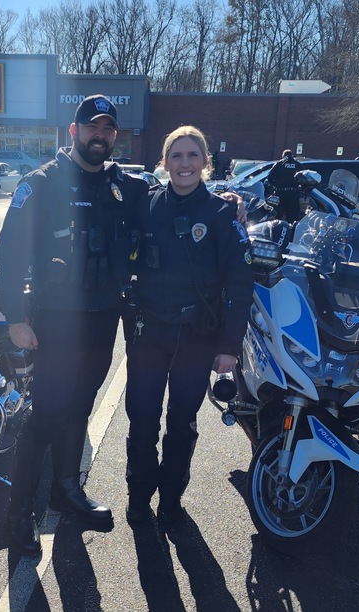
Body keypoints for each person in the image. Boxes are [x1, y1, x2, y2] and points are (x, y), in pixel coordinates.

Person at [0, 94, 147, 557]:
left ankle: (66, 491)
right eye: (92, 127)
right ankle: (18, 513)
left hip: (103, 320)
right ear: (74, 131)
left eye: (108, 129)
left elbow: (172, 207)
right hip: (56, 321)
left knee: (80, 406)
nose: (100, 135)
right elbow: (8, 254)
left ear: (115, 137)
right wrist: (15, 319)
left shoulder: (125, 187)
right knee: (46, 413)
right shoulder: (42, 183)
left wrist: (227, 202)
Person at [122, 125, 253, 524]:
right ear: (164, 163)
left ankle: (171, 500)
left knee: (181, 422)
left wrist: (229, 346)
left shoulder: (222, 213)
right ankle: (139, 495)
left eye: (193, 155)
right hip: (148, 333)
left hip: (196, 337)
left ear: (205, 162)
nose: (184, 163)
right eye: (176, 155)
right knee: (142, 419)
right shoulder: (144, 204)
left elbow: (240, 282)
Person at [266, 149, 303, 223]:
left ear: (283, 156)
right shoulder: (297, 164)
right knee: (293, 218)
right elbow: (304, 177)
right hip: (293, 194)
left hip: (280, 193)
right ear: (291, 155)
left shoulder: (279, 163)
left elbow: (269, 177)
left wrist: (276, 185)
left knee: (277, 218)